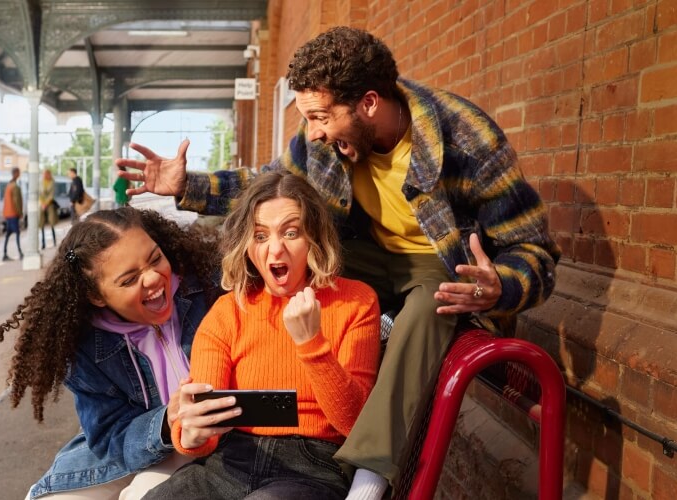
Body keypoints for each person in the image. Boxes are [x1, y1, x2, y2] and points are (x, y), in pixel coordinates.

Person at [117, 26, 560, 498]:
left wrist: (501, 286)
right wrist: (189, 186)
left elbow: (534, 250)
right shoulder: (322, 142)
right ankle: (366, 335)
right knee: (286, 255)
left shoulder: (468, 141)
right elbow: (268, 187)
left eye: (320, 117)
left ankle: (369, 475)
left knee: (436, 302)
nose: (313, 132)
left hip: (437, 263)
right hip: (361, 255)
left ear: (369, 103)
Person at [142, 172, 381, 499]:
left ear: (314, 237)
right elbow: (200, 430)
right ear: (247, 247)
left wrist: (312, 344)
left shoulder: (356, 301)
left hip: (313, 466)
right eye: (260, 236)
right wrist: (193, 432)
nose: (276, 249)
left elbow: (353, 423)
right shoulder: (228, 311)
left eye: (291, 232)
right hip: (231, 459)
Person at [0, 207, 222, 499]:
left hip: (219, 437)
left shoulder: (210, 287)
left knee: (144, 493)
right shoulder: (84, 345)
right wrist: (167, 421)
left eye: (155, 259)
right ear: (96, 296)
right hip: (146, 443)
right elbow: (110, 437)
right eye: (129, 280)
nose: (153, 279)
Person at [2, 166, 24, 262]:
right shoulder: (15, 186)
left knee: (8, 234)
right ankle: (20, 253)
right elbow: (16, 201)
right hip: (13, 214)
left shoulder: (8, 185)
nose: (20, 174)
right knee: (17, 233)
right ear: (16, 173)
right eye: (19, 172)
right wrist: (20, 213)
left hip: (7, 213)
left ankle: (5, 253)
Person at [39, 169, 59, 249]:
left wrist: (46, 204)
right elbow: (39, 194)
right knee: (41, 223)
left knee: (52, 223)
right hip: (42, 204)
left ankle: (54, 241)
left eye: (46, 174)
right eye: (44, 174)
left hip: (49, 204)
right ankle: (43, 243)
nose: (45, 175)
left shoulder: (52, 182)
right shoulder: (40, 182)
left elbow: (51, 195)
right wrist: (42, 204)